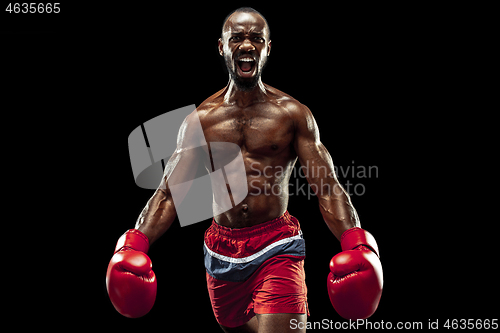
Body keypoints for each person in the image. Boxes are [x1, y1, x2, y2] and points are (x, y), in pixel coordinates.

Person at [106, 7, 383, 333]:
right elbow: (169, 194)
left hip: (277, 246)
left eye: (256, 39)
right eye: (237, 38)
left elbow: (327, 187)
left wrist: (357, 242)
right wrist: (133, 244)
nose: (247, 45)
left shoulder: (293, 115)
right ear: (222, 46)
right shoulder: (201, 121)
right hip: (222, 252)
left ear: (268, 48)